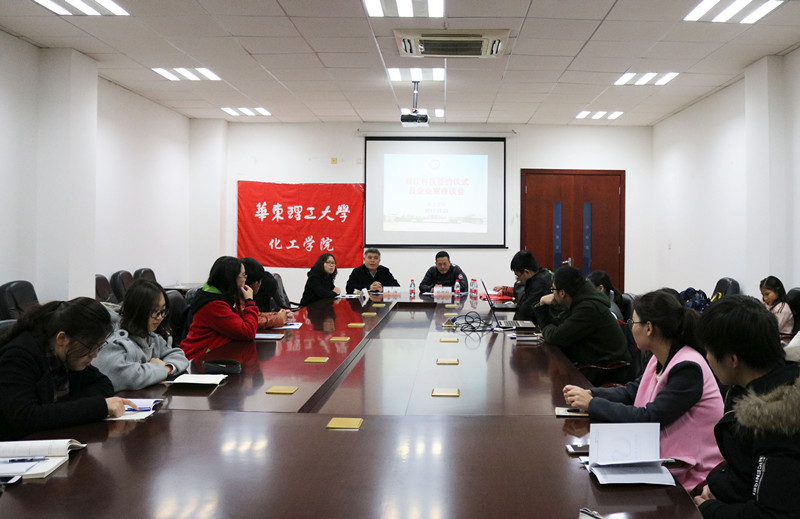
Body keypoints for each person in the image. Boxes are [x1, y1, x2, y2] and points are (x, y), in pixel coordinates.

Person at [563, 290, 724, 490]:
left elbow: (650, 418)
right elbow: (632, 392)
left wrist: (593, 404)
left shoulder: (688, 368)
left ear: (648, 328)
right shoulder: (659, 357)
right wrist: (592, 394)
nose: (631, 327)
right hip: (661, 455)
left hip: (690, 469)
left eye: (633, 322)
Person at [693, 295, 800, 518]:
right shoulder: (757, 385)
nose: (707, 357)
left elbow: (773, 513)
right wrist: (718, 484)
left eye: (709, 351)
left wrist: (708, 509)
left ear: (733, 360)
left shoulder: (779, 418)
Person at [0, 297, 136, 440]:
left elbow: (104, 384)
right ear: (62, 339)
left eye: (98, 347)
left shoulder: (69, 354)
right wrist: (97, 407)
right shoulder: (18, 357)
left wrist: (63, 410)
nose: (95, 355)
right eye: (90, 347)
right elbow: (25, 418)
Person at [92, 279, 189, 391]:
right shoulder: (114, 339)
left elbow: (178, 355)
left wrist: (167, 367)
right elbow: (127, 377)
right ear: (138, 310)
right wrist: (160, 369)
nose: (160, 317)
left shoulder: (151, 336)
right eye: (155, 311)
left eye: (163, 310)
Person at [533, 266, 629, 371]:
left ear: (562, 293)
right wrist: (543, 306)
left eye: (553, 289)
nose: (552, 294)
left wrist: (542, 304)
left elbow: (555, 337)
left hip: (606, 369)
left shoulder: (588, 308)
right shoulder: (580, 302)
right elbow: (558, 326)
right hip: (595, 362)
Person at [180, 256, 259, 360]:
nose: (245, 279)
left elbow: (242, 323)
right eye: (243, 276)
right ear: (231, 279)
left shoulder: (226, 297)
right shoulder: (215, 305)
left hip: (216, 354)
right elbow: (248, 332)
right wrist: (249, 301)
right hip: (198, 358)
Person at [492, 250, 552, 322]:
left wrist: (518, 284)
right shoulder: (536, 278)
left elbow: (524, 312)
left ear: (526, 272)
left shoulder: (539, 284)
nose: (518, 280)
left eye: (518, 276)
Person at [241, 257, 294, 328]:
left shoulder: (242, 295)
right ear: (255, 283)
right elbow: (252, 321)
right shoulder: (237, 297)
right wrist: (279, 319)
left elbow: (256, 315)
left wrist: (279, 315)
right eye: (242, 276)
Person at [759, 275, 796, 346]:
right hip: (770, 339)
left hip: (781, 342)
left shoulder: (783, 309)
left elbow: (773, 329)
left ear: (777, 291)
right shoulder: (769, 305)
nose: (765, 298)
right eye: (763, 295)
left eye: (767, 294)